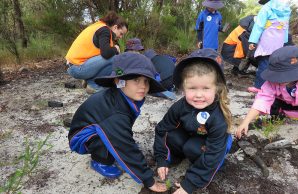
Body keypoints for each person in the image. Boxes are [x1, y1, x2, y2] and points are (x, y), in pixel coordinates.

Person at [68, 52, 167, 192]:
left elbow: (123, 127)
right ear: (118, 81)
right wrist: (148, 180)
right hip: (81, 137)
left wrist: (124, 136)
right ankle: (99, 161)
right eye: (136, 80)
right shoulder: (115, 110)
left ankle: (108, 149)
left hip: (104, 125)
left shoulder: (125, 97)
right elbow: (124, 145)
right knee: (116, 140)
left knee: (117, 133)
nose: (143, 86)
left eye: (146, 81)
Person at [154, 49, 233, 194]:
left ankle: (209, 167)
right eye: (192, 88)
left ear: (217, 88)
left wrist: (189, 184)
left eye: (206, 88)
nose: (198, 95)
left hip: (216, 146)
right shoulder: (180, 106)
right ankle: (176, 157)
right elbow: (162, 129)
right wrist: (162, 159)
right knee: (172, 136)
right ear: (183, 89)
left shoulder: (218, 118)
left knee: (192, 148)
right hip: (194, 132)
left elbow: (212, 154)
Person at [235, 46, 298, 139]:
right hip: (285, 108)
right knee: (270, 102)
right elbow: (262, 99)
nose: (281, 79)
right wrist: (246, 122)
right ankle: (281, 115)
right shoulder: (272, 82)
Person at [65, 11, 128, 93]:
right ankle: (95, 85)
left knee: (111, 62)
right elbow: (106, 54)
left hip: (76, 66)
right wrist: (116, 49)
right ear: (115, 27)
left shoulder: (100, 27)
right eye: (121, 33)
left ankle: (91, 82)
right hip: (76, 68)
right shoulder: (104, 30)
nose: (121, 37)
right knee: (115, 58)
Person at [247, 0, 291, 93]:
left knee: (264, 64)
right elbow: (286, 27)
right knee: (275, 63)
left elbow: (259, 26)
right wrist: (285, 41)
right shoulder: (286, 9)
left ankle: (259, 87)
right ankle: (275, 87)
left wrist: (253, 41)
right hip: (279, 42)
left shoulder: (267, 7)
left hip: (267, 41)